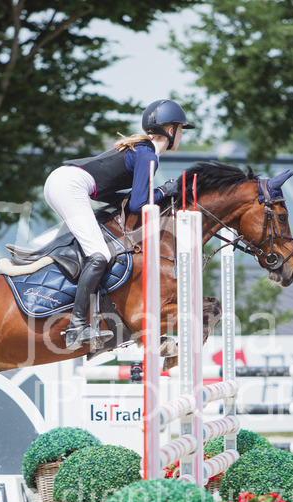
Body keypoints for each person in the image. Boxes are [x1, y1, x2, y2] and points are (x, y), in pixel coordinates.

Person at [46, 98, 194, 350]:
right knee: (100, 253)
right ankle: (76, 326)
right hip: (69, 186)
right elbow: (139, 204)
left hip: (64, 183)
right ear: (170, 131)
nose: (180, 135)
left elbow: (115, 196)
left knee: (98, 248)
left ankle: (100, 318)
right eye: (180, 129)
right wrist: (165, 189)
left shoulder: (142, 149)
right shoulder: (148, 155)